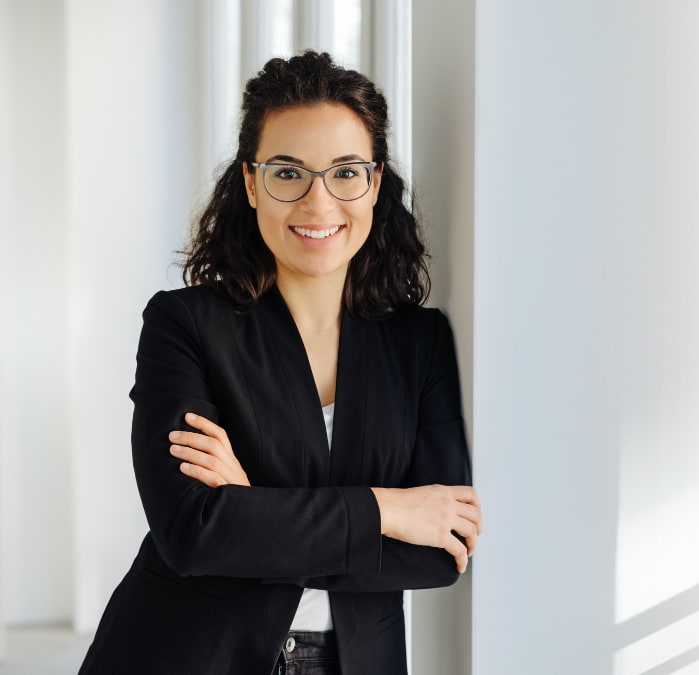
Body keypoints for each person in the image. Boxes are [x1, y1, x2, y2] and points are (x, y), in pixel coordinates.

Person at [77, 51, 480, 675]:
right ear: (250, 183)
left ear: (374, 182)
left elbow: (441, 553)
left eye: (345, 172)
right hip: (186, 653)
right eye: (288, 172)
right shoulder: (184, 325)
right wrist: (390, 510)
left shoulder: (419, 342)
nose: (318, 203)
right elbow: (192, 531)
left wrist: (254, 509)